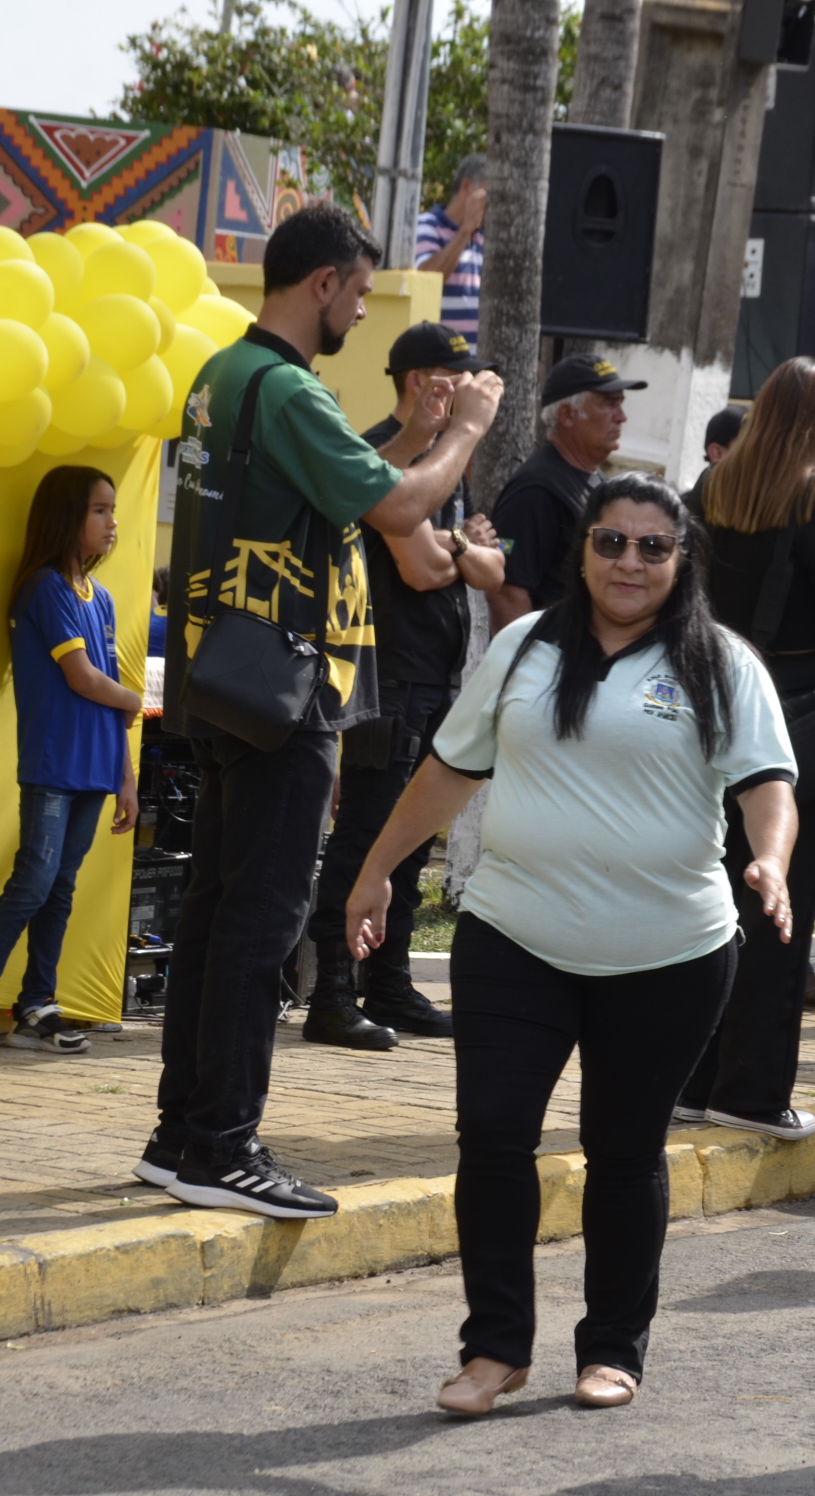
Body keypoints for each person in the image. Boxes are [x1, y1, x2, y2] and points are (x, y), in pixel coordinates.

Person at [342, 472, 796, 1415]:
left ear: (681, 561)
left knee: (624, 1149)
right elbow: (448, 771)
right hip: (515, 934)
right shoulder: (523, 648)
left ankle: (613, 1349)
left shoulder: (723, 664)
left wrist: (771, 863)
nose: (629, 562)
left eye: (653, 547)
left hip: (670, 950)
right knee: (496, 1134)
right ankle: (495, 1348)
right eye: (611, 542)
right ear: (583, 547)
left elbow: (765, 784)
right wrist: (378, 868)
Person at [152, 204, 501, 1220]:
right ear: (324, 283)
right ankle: (223, 1144)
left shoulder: (224, 377)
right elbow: (397, 511)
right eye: (356, 288)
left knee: (214, 915)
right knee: (257, 922)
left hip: (222, 677)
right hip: (284, 690)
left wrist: (413, 434)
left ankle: (183, 1135)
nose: (358, 305)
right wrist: (465, 434)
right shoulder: (288, 386)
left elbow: (337, 483)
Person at [302, 322, 508, 1051]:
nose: (472, 397)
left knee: (411, 839)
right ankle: (330, 993)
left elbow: (494, 571)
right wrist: (465, 545)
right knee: (365, 838)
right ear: (424, 384)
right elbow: (424, 566)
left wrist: (464, 549)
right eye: (457, 380)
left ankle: (387, 984)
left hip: (435, 675)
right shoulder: (377, 453)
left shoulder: (446, 463)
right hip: (385, 680)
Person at [685, 356, 815, 1140]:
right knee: (779, 906)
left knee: (707, 902)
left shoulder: (711, 489)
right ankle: (753, 1093)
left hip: (707, 705)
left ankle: (691, 1080)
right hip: (791, 720)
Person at [0, 467, 140, 1062]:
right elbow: (84, 679)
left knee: (61, 888)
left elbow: (110, 706)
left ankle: (37, 1006)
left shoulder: (99, 599)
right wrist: (135, 696)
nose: (112, 522)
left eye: (112, 509)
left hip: (96, 770)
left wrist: (126, 779)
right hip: (54, 765)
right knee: (33, 880)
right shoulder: (43, 589)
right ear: (66, 518)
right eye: (99, 511)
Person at [488, 352, 639, 625]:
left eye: (621, 403)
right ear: (567, 415)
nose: (622, 416)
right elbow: (507, 592)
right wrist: (527, 663)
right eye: (609, 403)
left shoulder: (596, 479)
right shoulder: (536, 489)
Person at [412, 153, 486, 345]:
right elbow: (428, 277)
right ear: (467, 187)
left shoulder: (484, 237)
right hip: (442, 361)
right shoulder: (427, 225)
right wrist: (465, 230)